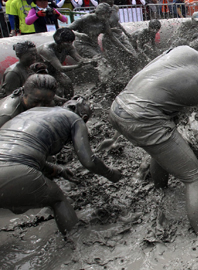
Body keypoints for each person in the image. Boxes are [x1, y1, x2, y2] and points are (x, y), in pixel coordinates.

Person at [109, 43, 198, 233]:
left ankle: (160, 190)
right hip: (143, 119)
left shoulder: (185, 50)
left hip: (119, 106)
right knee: (194, 176)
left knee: (162, 148)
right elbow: (196, 117)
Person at [0, 96, 123, 235]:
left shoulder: (36, 112)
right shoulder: (75, 120)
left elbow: (23, 153)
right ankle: (77, 244)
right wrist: (111, 174)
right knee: (58, 199)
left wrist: (56, 170)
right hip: (10, 170)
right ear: (83, 117)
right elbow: (89, 161)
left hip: (8, 165)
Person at [38, 28, 95, 99]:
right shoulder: (47, 50)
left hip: (54, 71)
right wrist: (78, 66)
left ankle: (68, 102)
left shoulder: (69, 47)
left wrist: (92, 61)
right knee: (53, 92)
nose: (70, 44)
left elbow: (80, 60)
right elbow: (60, 68)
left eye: (71, 42)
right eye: (67, 42)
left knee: (67, 83)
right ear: (59, 41)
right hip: (40, 74)